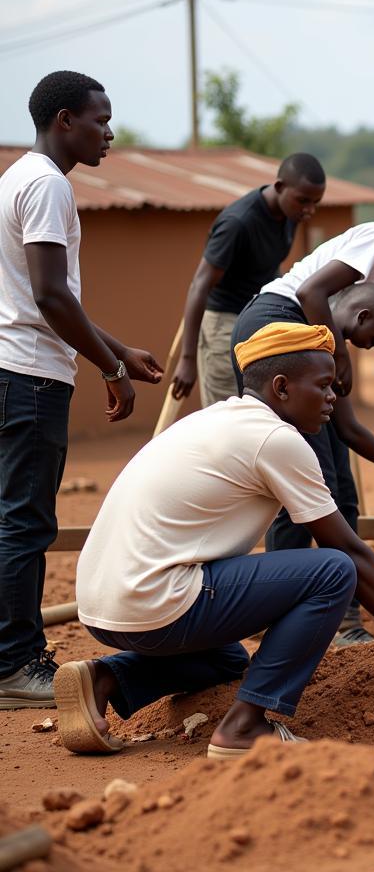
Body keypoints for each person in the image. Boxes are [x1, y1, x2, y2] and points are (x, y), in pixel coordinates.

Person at [53, 321, 374, 758]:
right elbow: (351, 553)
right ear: (281, 387)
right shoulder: (277, 440)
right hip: (155, 602)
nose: (333, 397)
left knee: (227, 661)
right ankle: (245, 727)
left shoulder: (213, 419)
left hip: (101, 606)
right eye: (323, 385)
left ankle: (106, 678)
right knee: (333, 571)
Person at [232, 185, 374, 644]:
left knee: (340, 487)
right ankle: (283, 622)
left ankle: (344, 621)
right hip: (277, 323)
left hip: (313, 342)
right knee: (307, 481)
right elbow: (311, 290)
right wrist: (339, 355)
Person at [0, 71, 162, 711]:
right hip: (30, 377)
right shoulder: (46, 186)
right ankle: (15, 665)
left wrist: (117, 349)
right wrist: (110, 368)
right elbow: (47, 296)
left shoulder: (18, 176)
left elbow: (46, 299)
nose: (110, 133)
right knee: (24, 522)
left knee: (12, 516)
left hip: (15, 367)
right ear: (65, 119)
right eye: (101, 119)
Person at [170, 153, 326, 408]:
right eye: (303, 201)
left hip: (257, 322)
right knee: (229, 413)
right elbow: (200, 285)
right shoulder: (238, 223)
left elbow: (268, 267)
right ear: (279, 187)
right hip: (224, 325)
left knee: (261, 410)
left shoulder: (290, 214)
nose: (309, 210)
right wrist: (187, 359)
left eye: (315, 203)